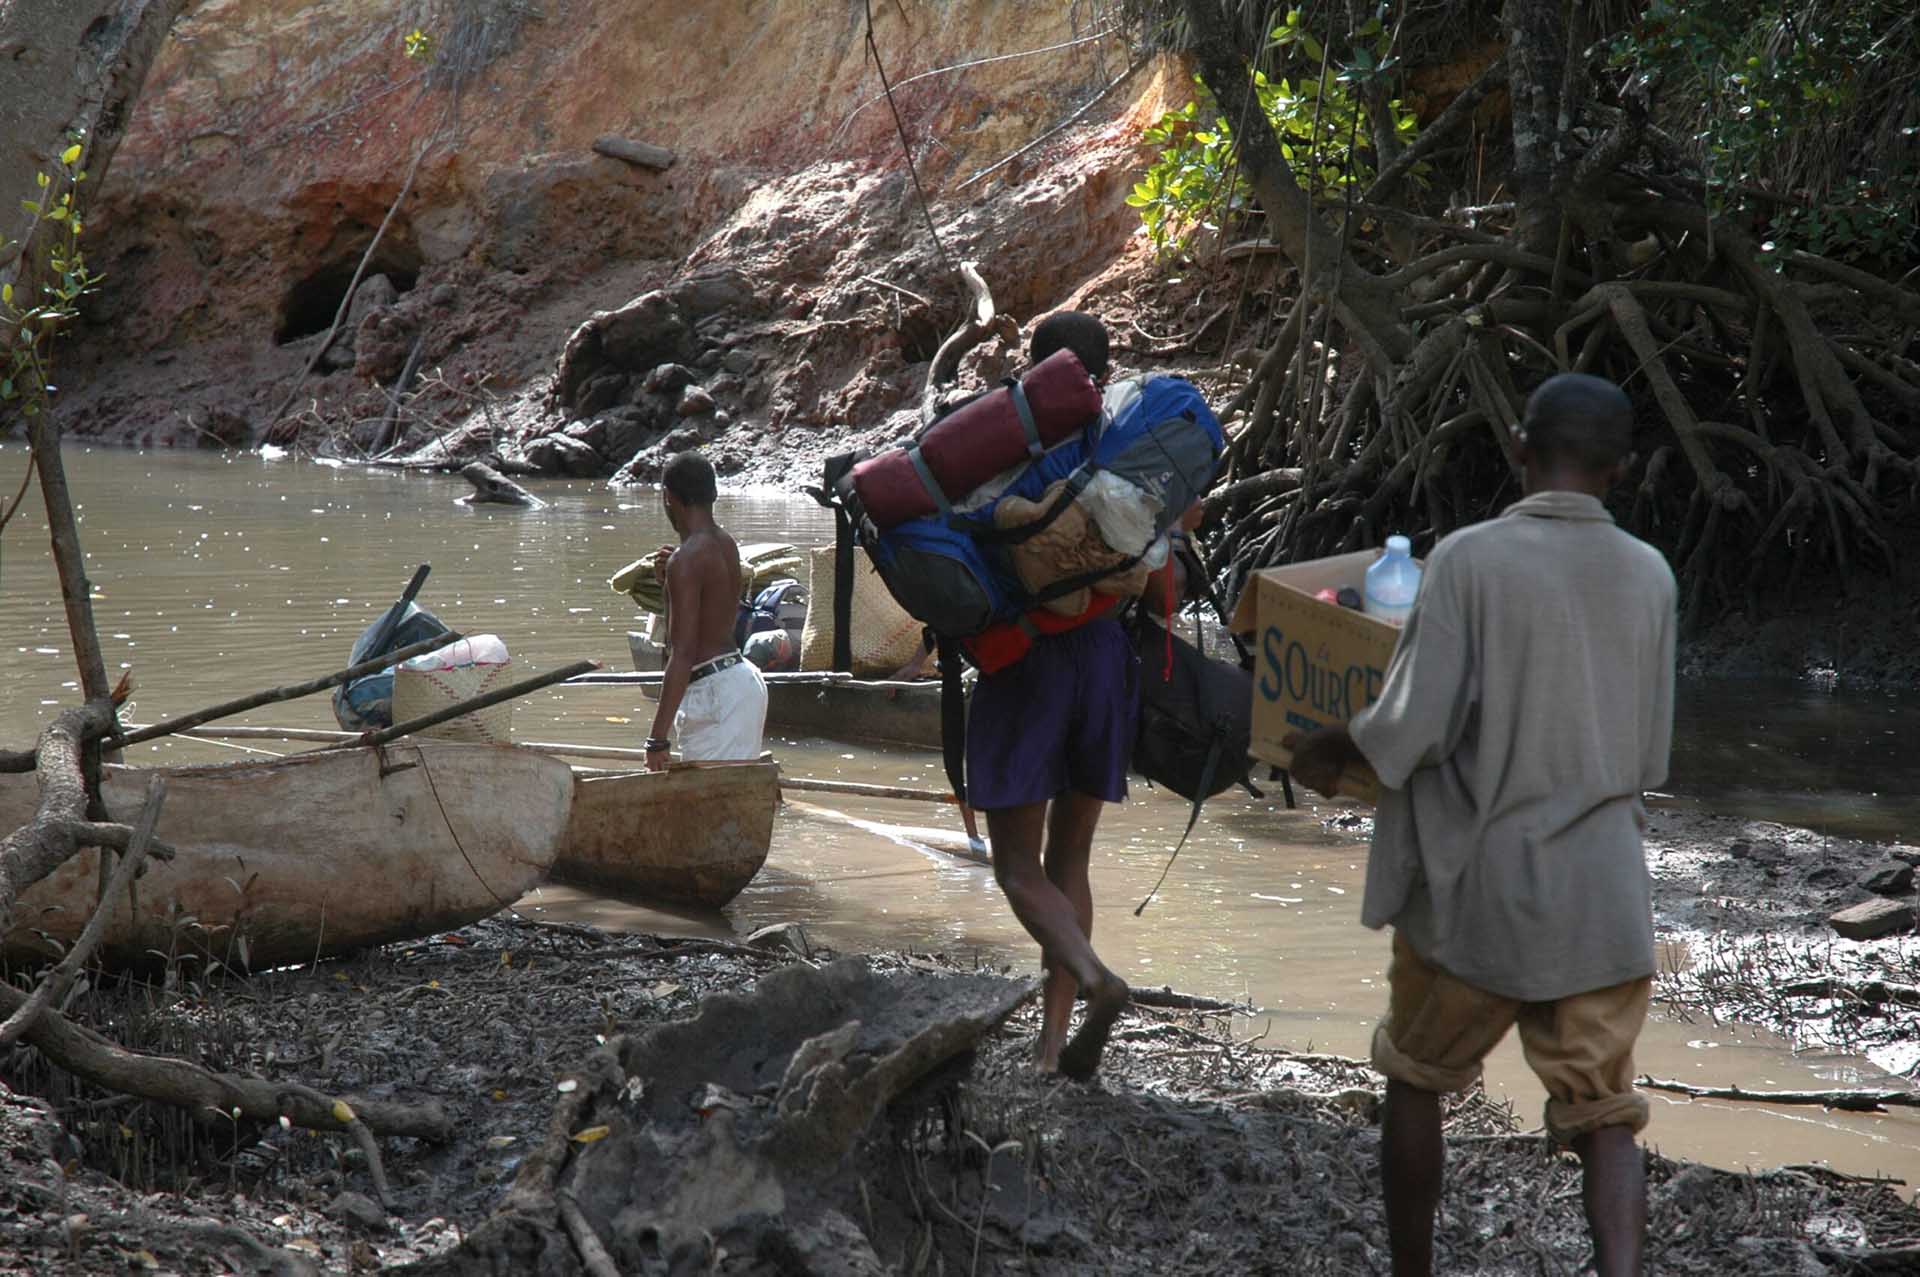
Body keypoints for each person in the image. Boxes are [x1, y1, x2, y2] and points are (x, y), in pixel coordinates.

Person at [1285, 373, 1675, 1277]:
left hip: (1476, 895)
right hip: (1599, 900)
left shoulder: (1467, 560)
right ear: (1624, 470)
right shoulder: (1651, 575)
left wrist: (1332, 743)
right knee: (1605, 1110)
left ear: (1517, 448)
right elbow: (1649, 758)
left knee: (1417, 1075)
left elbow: (1412, 730)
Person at [968, 310, 1135, 1079]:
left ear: (1033, 372)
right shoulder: (1126, 440)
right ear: (1102, 372)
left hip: (1027, 656)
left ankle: (1096, 978)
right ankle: (1051, 1044)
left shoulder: (1006, 441)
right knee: (1073, 854)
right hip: (1105, 655)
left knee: (1015, 866)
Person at [644, 451, 769, 770]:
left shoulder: (685, 560)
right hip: (741, 683)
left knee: (703, 808)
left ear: (668, 498)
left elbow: (681, 653)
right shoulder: (726, 543)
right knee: (730, 805)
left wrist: (656, 740)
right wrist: (668, 586)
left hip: (715, 695)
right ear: (712, 494)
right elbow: (702, 625)